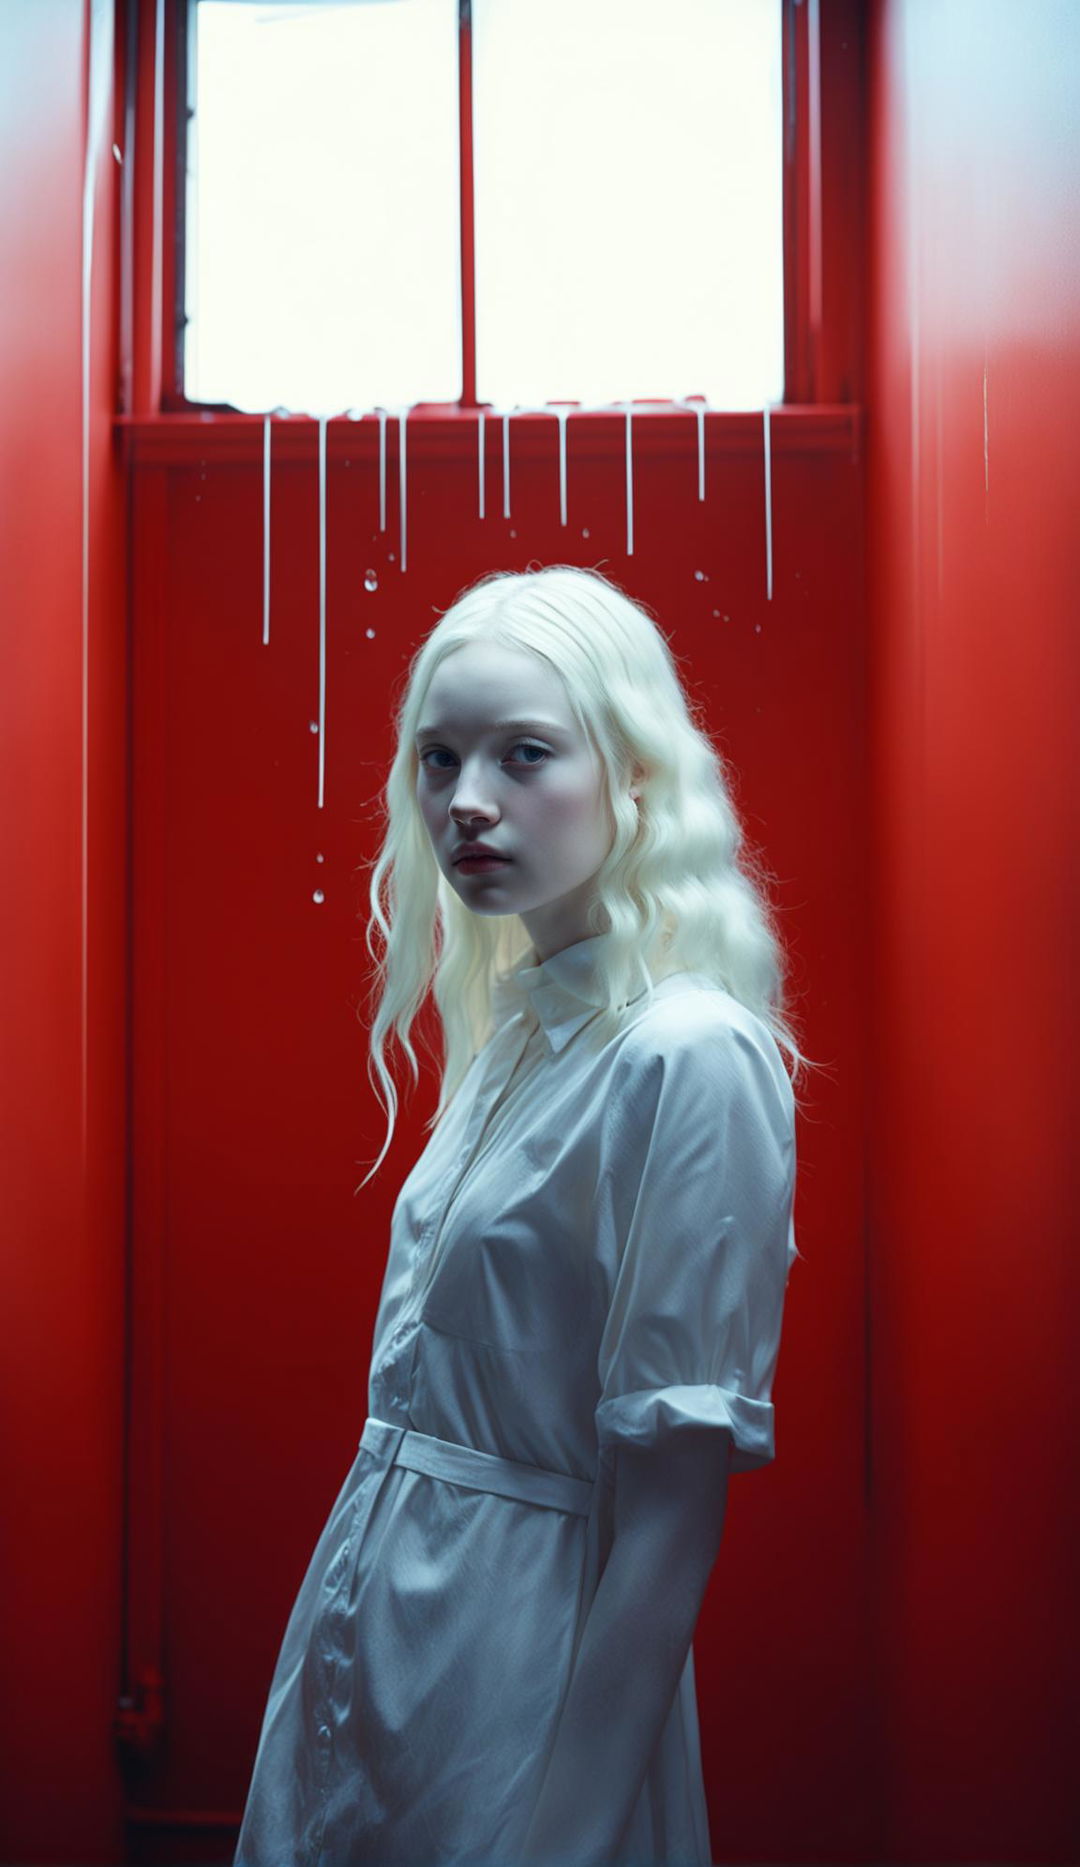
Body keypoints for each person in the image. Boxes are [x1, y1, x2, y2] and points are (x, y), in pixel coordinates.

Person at [234, 564, 812, 1867]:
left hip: (527, 1660)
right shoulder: (515, 1030)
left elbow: (672, 1515)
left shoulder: (686, 1056)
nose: (467, 803)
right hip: (373, 1632)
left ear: (634, 772)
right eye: (438, 761)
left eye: (524, 754)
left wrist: (567, 1839)